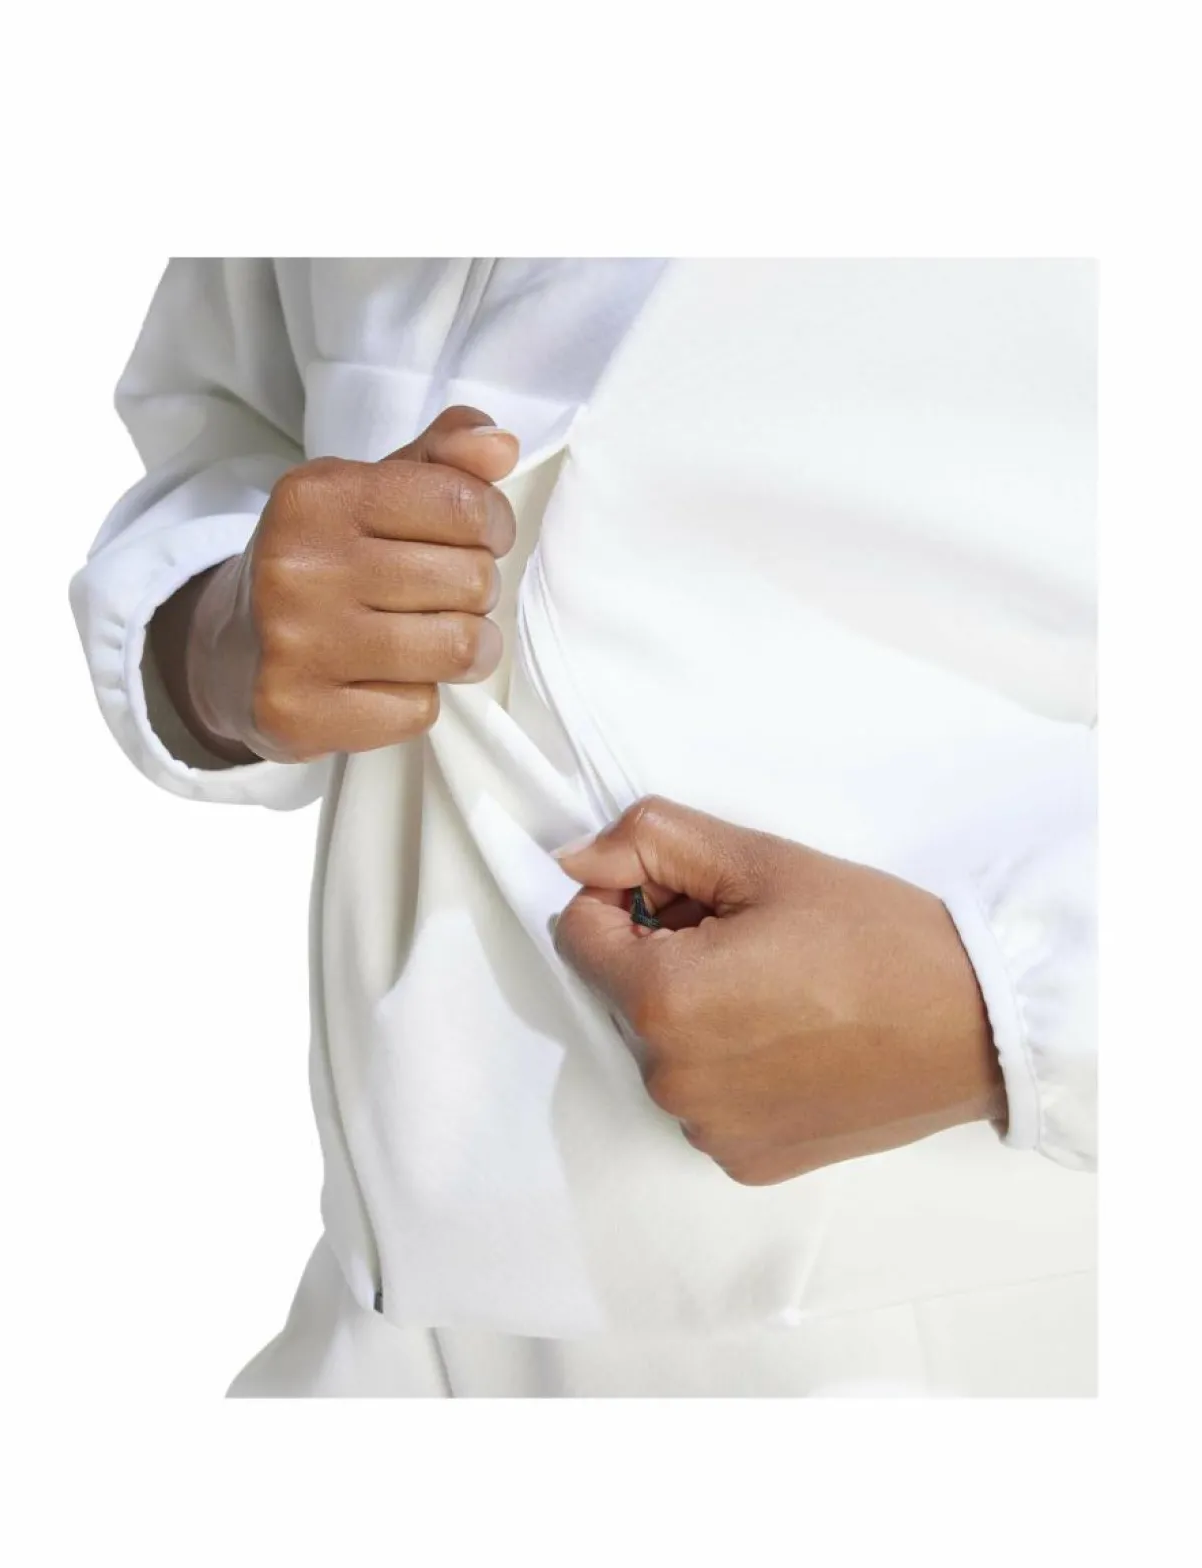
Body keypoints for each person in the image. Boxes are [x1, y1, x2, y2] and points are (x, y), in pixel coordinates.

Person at [70, 258, 1096, 1397]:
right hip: (385, 1313)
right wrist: (219, 633)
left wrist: (1016, 1011)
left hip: (987, 1315)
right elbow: (232, 419)